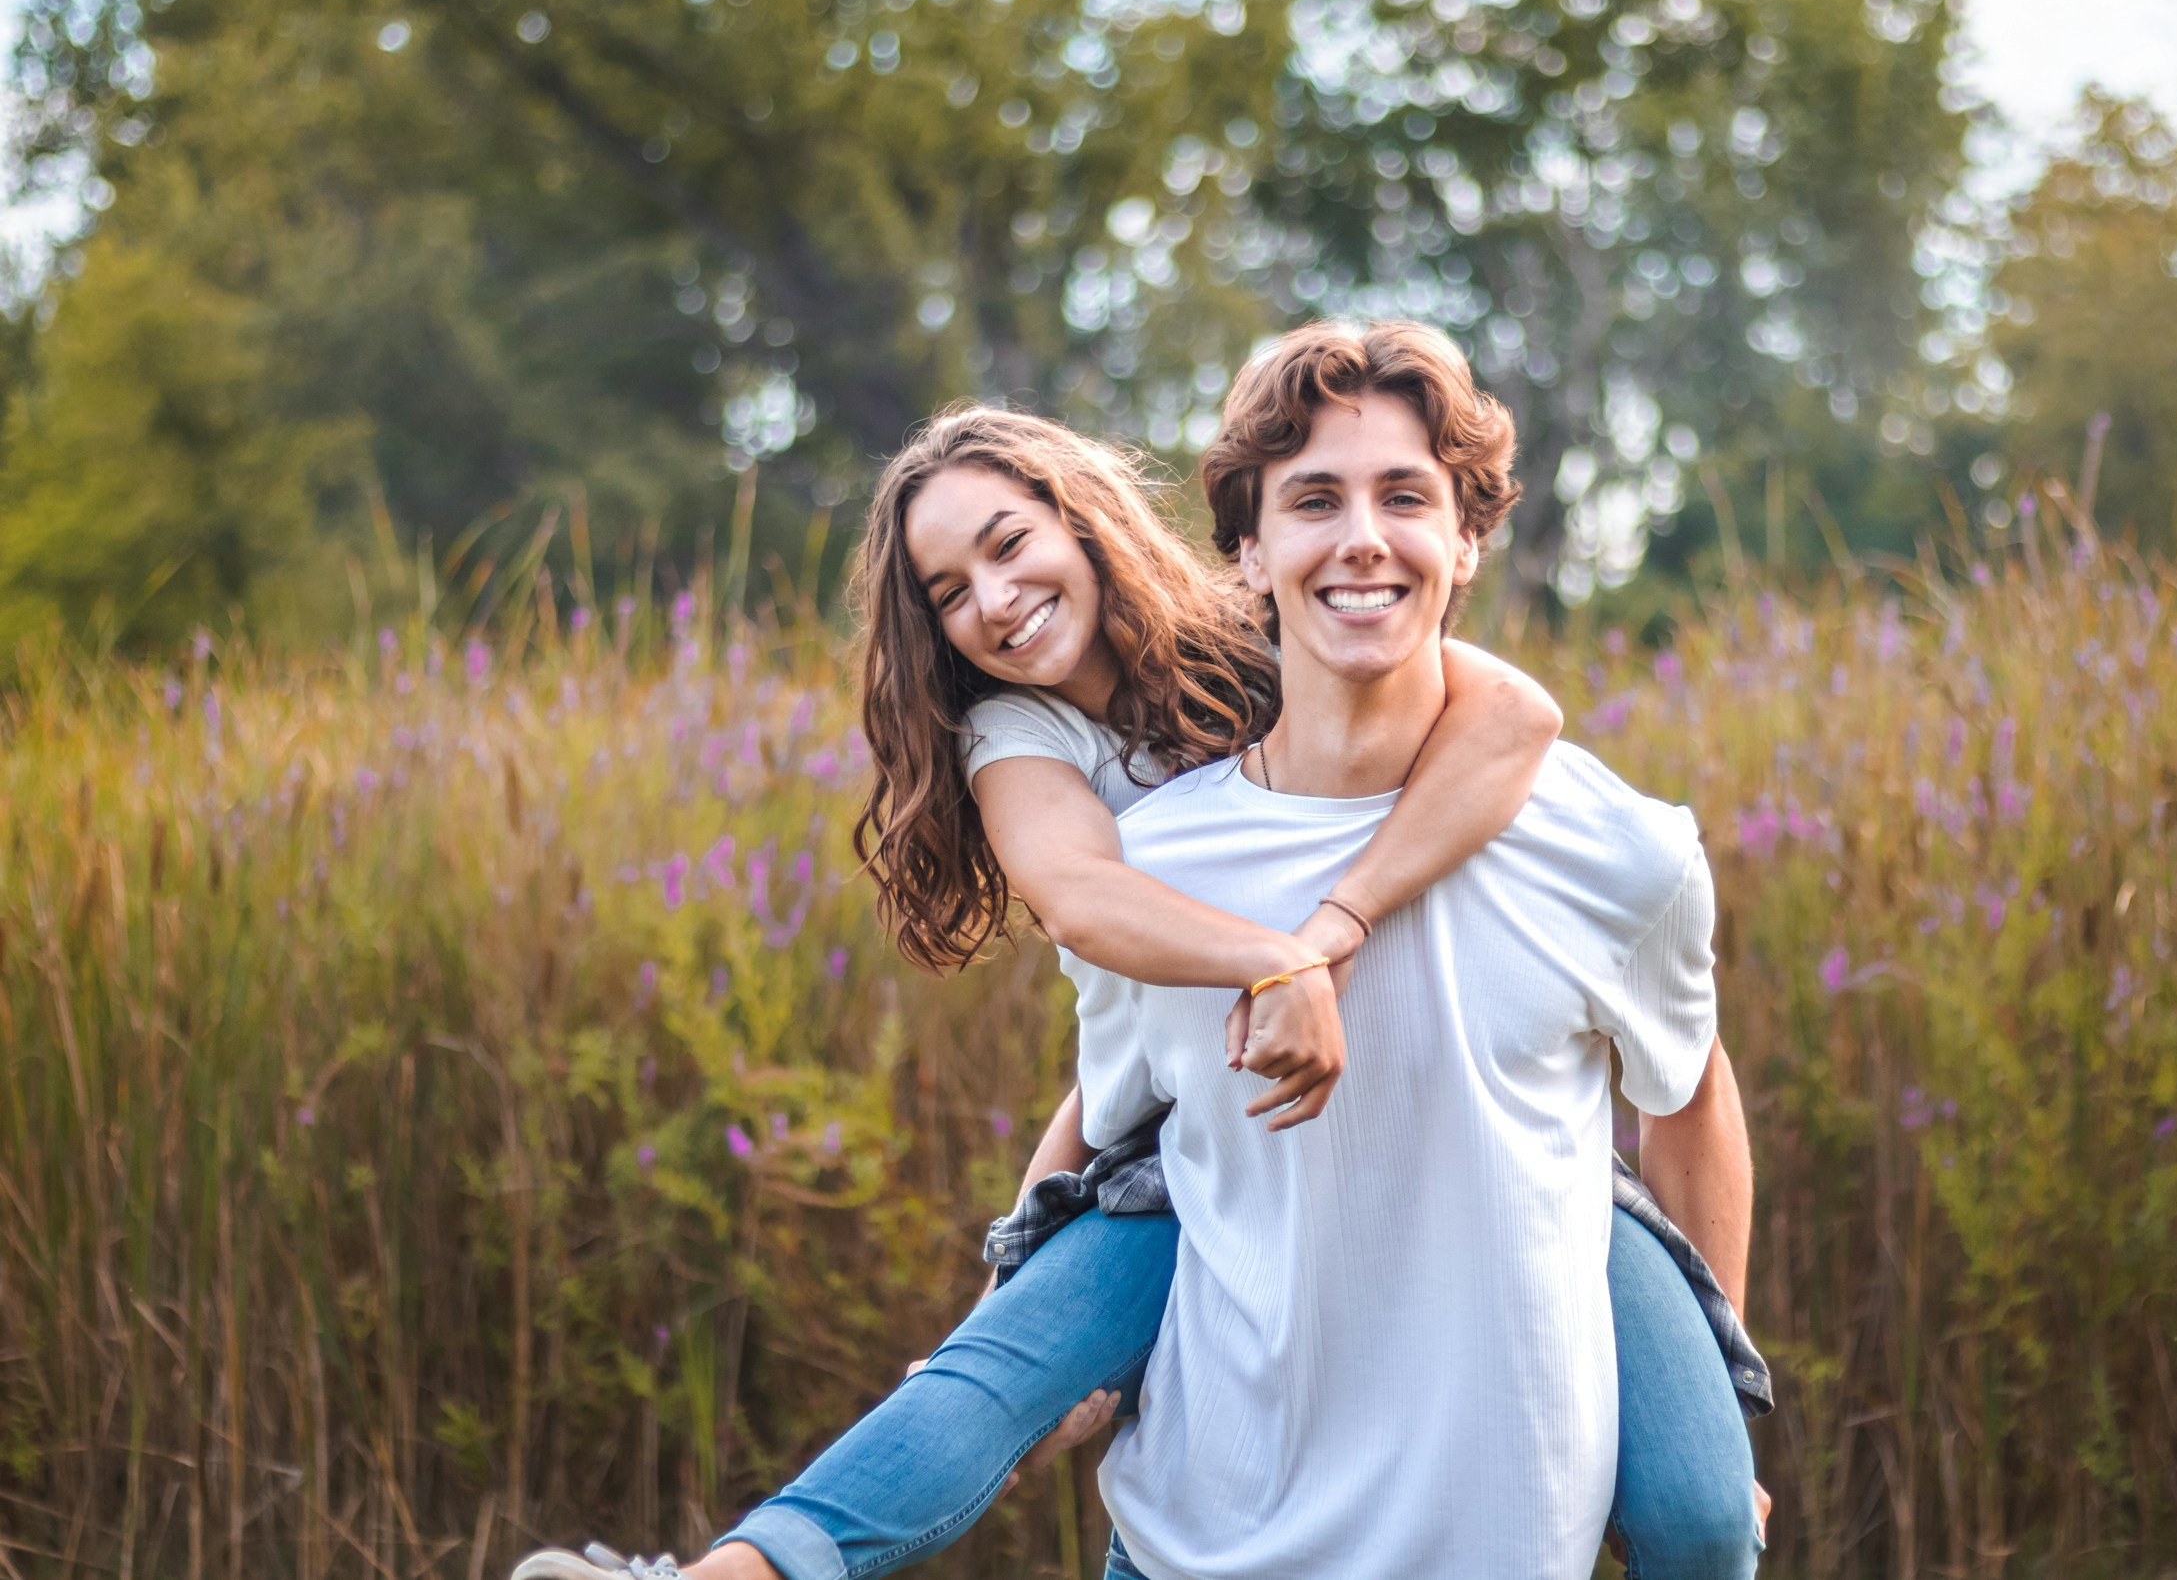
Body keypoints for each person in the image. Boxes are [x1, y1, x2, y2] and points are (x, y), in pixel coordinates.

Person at [513, 338, 1765, 1580]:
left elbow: (1514, 714)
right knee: (990, 1373)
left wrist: (1322, 935)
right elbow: (1091, 934)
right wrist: (1018, 1259)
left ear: (1087, 522)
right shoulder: (1023, 737)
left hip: (1499, 1151)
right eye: (948, 591)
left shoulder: (1274, 622)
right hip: (1189, 1132)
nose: (993, 601)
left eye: (1008, 545)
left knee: (1706, 1508)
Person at [1060, 320, 1748, 1577]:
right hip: (1196, 1542)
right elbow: (1103, 1135)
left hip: (1498, 1539)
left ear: (1467, 539)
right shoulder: (1151, 869)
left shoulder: (1615, 848)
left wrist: (1697, 1415)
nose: (1362, 536)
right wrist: (1014, 1351)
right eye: (1314, 499)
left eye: (1405, 497)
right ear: (1250, 550)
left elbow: (1691, 1092)